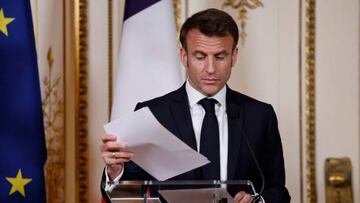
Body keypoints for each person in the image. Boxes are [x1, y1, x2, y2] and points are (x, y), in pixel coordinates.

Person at [100, 8, 290, 203]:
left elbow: (278, 191)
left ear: (234, 56)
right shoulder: (153, 114)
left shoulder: (260, 116)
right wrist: (116, 171)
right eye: (200, 57)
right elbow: (128, 194)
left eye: (220, 56)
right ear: (184, 57)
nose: (210, 68)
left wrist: (258, 201)